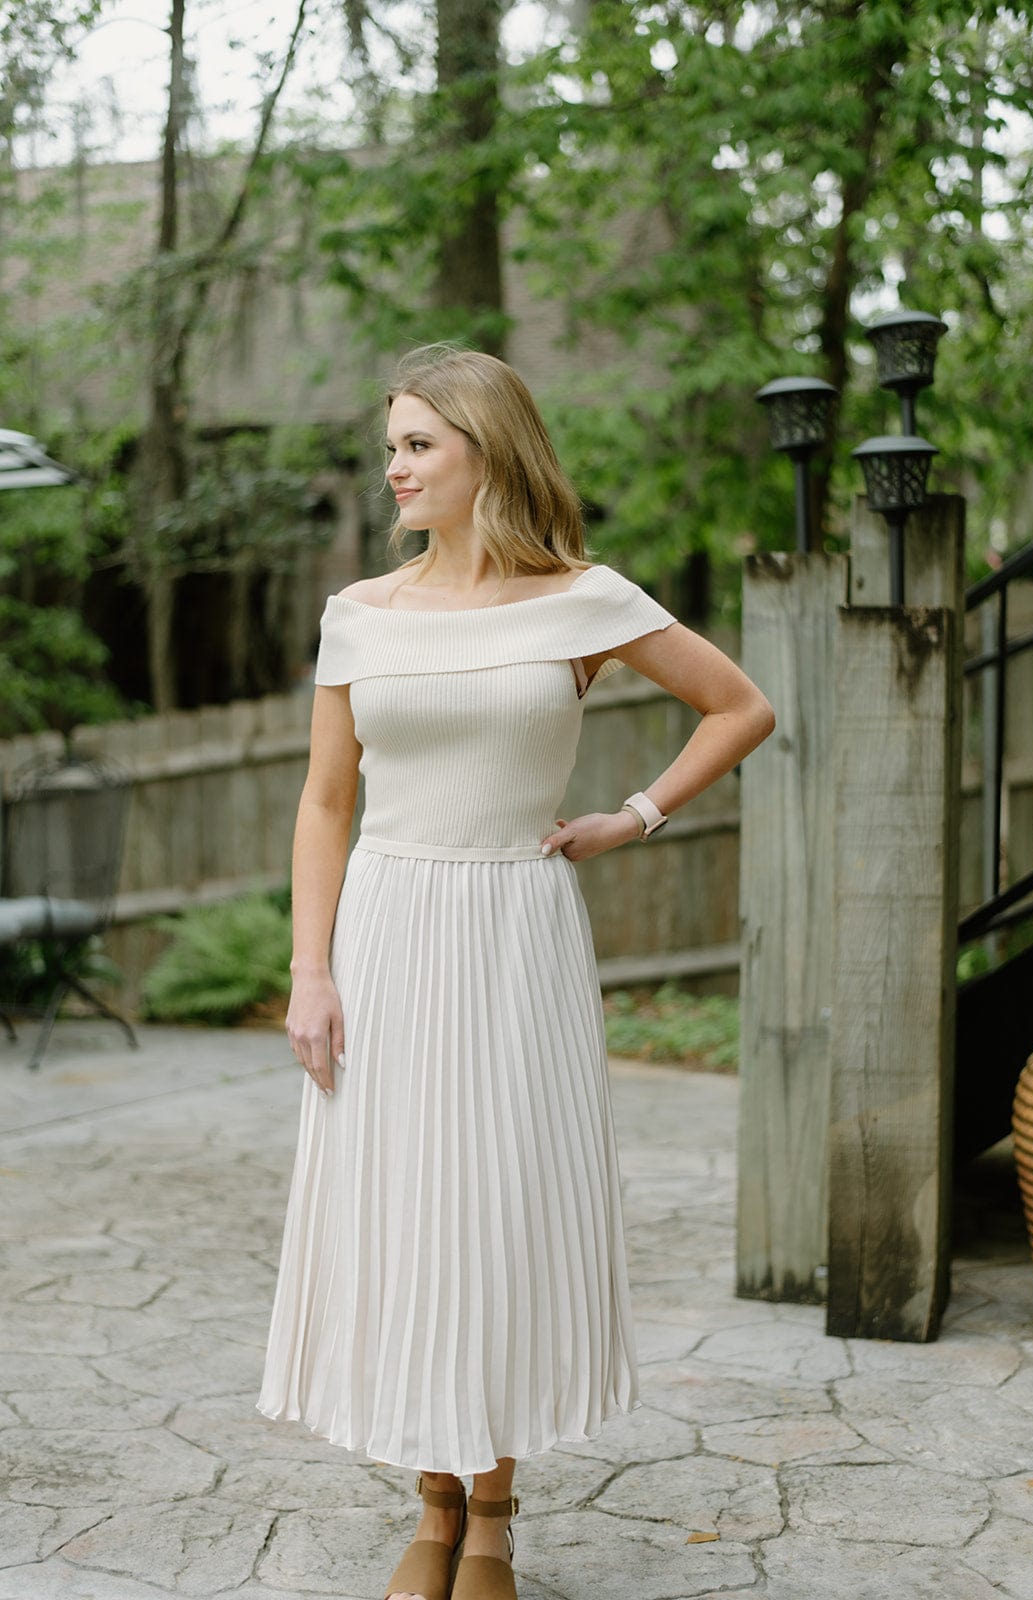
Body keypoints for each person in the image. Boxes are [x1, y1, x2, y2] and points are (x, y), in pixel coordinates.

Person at [257, 345, 775, 1600]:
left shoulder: (584, 600)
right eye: (391, 444)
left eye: (419, 443)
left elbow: (740, 706)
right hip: (387, 928)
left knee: (496, 1208)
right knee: (405, 1214)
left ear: (489, 447)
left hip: (515, 932)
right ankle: (426, 1503)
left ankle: (490, 1511)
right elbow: (327, 801)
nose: (394, 467)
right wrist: (309, 969)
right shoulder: (359, 615)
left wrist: (631, 815)